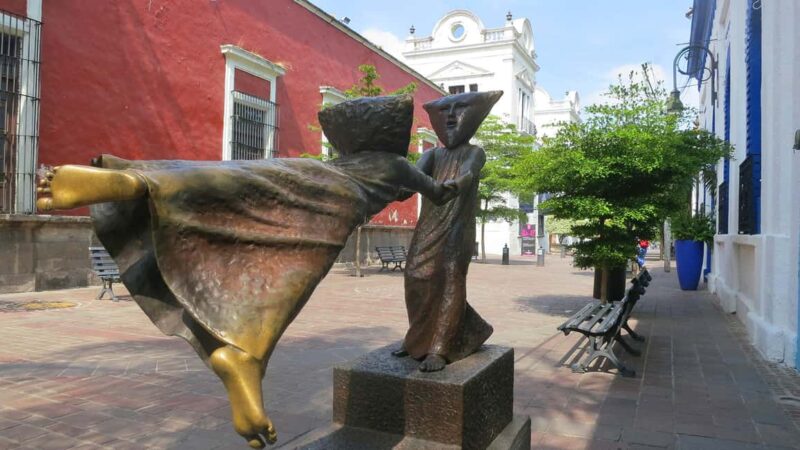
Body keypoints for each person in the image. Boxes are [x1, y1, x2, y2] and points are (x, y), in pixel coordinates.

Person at [36, 95, 463, 449]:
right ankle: (246, 355)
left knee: (236, 181)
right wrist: (453, 181)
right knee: (288, 274)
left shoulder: (341, 159)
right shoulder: (397, 165)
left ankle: (133, 182)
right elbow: (436, 193)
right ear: (392, 135)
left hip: (303, 174)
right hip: (334, 206)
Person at [392, 91, 502, 372]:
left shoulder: (474, 152)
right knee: (415, 276)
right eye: (444, 112)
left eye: (459, 109)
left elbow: (468, 172)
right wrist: (394, 183)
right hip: (428, 226)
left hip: (457, 227)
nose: (451, 116)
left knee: (450, 280)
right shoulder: (432, 155)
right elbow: (411, 178)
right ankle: (419, 337)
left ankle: (439, 349)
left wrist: (453, 186)